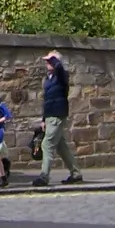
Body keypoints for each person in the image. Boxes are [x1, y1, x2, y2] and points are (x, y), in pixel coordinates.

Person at [31, 50, 83, 187]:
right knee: (61, 146)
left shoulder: (62, 75)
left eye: (50, 61)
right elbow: (47, 100)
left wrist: (54, 58)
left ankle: (44, 176)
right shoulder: (49, 78)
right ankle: (76, 173)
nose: (47, 63)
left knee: (46, 144)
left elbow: (59, 67)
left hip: (58, 114)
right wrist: (43, 119)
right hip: (50, 115)